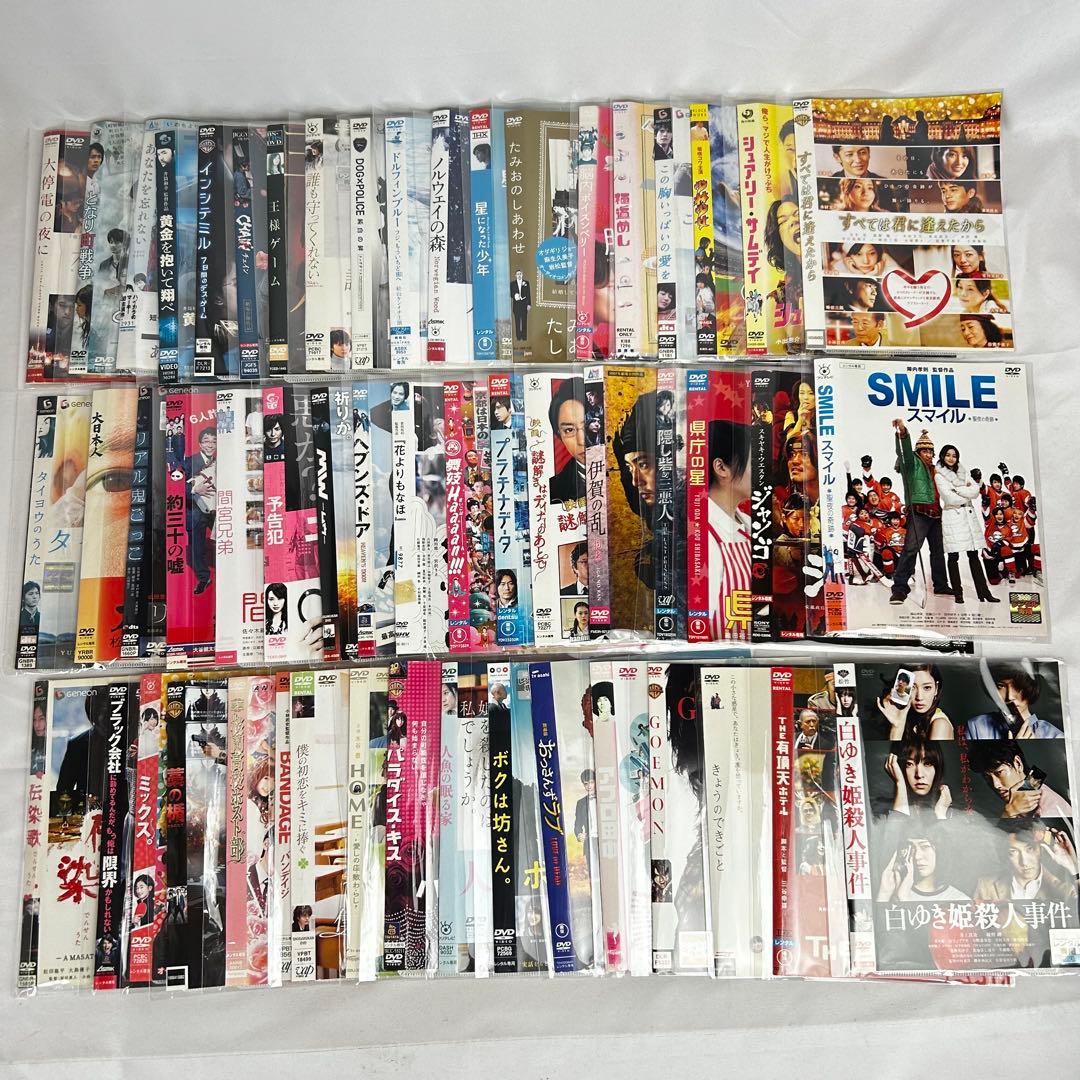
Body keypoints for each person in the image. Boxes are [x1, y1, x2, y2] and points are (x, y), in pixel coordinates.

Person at [705, 379, 752, 641]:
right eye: (753, 461)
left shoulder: (747, 524)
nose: (761, 470)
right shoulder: (705, 536)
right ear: (721, 468)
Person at [888, 420, 951, 604]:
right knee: (910, 549)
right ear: (918, 452)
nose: (929, 455)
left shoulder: (935, 469)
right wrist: (903, 432)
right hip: (918, 512)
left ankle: (941, 585)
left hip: (936, 513)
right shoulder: (911, 464)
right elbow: (903, 451)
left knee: (938, 551)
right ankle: (900, 588)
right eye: (925, 451)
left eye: (931, 451)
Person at [935, 443, 999, 604]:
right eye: (948, 455)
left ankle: (984, 592)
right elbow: (949, 498)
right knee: (953, 556)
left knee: (974, 555)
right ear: (942, 456)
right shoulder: (939, 475)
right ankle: (958, 593)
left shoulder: (963, 472)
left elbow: (975, 491)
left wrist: (958, 490)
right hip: (953, 517)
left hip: (968, 516)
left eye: (954, 455)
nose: (951, 458)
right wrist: (965, 492)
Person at [974, 818, 1078, 904]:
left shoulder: (1067, 889)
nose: (1024, 862)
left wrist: (1073, 867)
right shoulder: (985, 886)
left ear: (1041, 849)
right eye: (1013, 852)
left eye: (1030, 849)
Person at [968, 742, 1073, 819]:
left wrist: (1009, 812)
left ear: (1018, 764)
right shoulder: (1032, 783)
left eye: (999, 772)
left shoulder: (1046, 811)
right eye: (987, 777)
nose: (995, 785)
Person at [876, 824, 970, 903]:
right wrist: (884, 894)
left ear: (941, 850)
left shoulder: (959, 900)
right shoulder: (893, 891)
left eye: (925, 847)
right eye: (912, 848)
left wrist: (905, 900)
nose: (917, 856)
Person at [966, 665, 1065, 739]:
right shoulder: (976, 726)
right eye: (1001, 686)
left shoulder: (1054, 735)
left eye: (1017, 686)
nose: (1010, 697)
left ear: (1031, 687)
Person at [875, 664, 952, 741]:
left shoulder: (940, 724)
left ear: (936, 689)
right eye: (912, 688)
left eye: (927, 687)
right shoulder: (907, 717)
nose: (919, 697)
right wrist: (897, 726)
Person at [883, 735, 952, 819]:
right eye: (909, 764)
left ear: (937, 767)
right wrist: (900, 784)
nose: (919, 774)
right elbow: (896, 827)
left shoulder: (953, 813)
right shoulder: (880, 810)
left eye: (927, 763)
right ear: (897, 767)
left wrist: (940, 814)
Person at [183, 426, 217, 595]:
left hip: (217, 509)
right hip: (195, 511)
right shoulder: (189, 461)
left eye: (213, 441)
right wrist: (194, 489)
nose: (210, 445)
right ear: (200, 444)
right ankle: (204, 578)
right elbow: (175, 486)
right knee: (197, 548)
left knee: (226, 540)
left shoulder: (221, 462)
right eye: (206, 441)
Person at [547, 377, 586, 504]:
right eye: (569, 430)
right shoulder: (553, 490)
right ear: (559, 434)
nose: (582, 441)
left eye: (588, 425)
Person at [829, 243, 903, 277]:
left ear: (878, 254)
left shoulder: (885, 261)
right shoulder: (839, 268)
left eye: (871, 253)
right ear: (849, 257)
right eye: (858, 254)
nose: (866, 261)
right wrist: (859, 274)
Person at [574, 769, 597, 873]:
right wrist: (579, 834)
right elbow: (577, 824)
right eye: (586, 784)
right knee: (592, 871)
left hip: (606, 840)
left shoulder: (605, 800)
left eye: (591, 782)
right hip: (590, 841)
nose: (589, 786)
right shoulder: (581, 803)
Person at [511, 270, 531, 341]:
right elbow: (511, 293)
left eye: (520, 274)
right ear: (515, 276)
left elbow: (528, 294)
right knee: (517, 322)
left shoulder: (526, 283)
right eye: (517, 274)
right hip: (516, 305)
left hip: (524, 304)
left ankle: (524, 337)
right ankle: (518, 337)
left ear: (522, 275)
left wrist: (529, 304)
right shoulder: (512, 284)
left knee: (524, 321)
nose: (519, 275)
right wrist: (515, 295)